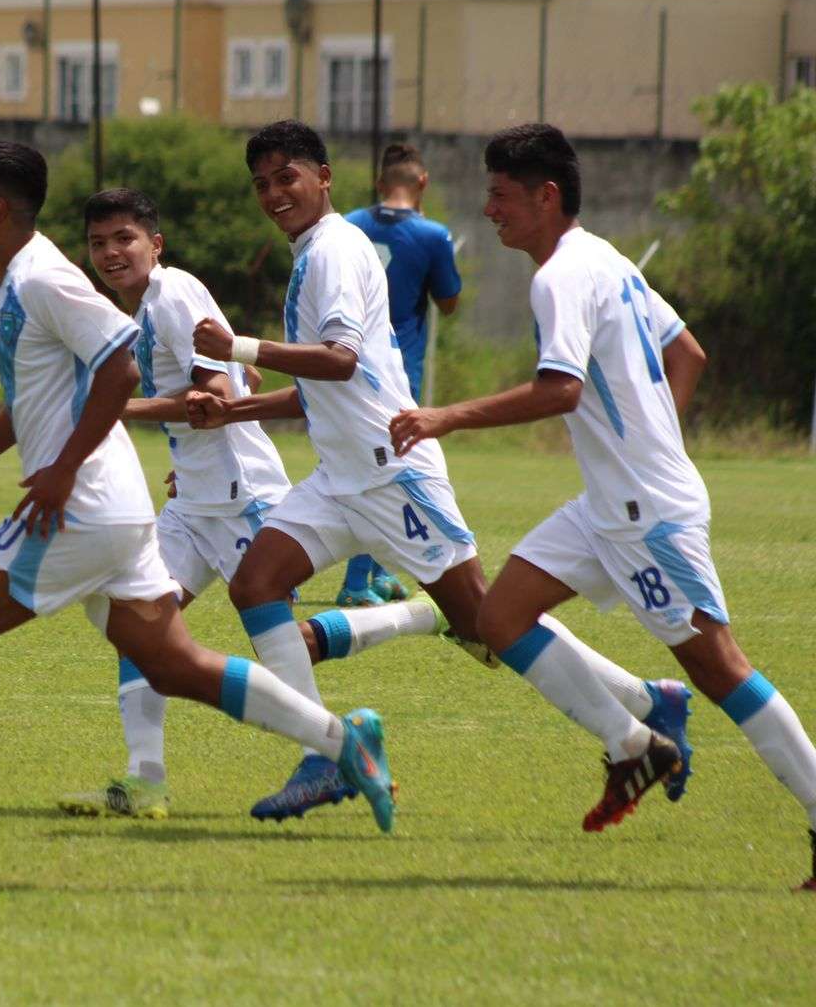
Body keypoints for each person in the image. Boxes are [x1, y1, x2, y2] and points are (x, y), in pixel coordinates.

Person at [0, 141, 398, 870]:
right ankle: (341, 741)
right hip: (121, 509)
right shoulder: (4, 292)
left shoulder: (46, 279)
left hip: (84, 508)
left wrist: (61, 471)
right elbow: (40, 397)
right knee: (172, 665)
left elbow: (119, 364)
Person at [185, 120, 691, 824]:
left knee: (486, 624)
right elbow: (329, 387)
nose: (275, 194)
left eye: (287, 178)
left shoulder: (332, 249)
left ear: (324, 178)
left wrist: (235, 346)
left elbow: (340, 360)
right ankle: (325, 755)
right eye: (263, 184)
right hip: (341, 478)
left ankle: (638, 723)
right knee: (257, 584)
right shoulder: (315, 252)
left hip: (394, 474)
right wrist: (234, 414)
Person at [388, 123, 816, 890]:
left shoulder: (559, 278)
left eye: (500, 194)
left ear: (546, 196)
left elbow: (562, 391)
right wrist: (651, 448)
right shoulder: (606, 258)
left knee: (720, 669)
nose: (488, 210)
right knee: (499, 617)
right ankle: (634, 746)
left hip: (645, 513)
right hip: (609, 506)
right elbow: (689, 354)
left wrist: (444, 416)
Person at [58, 187, 446, 821]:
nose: (110, 253)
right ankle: (145, 779)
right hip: (197, 502)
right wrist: (186, 455)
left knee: (281, 643)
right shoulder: (144, 309)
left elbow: (212, 391)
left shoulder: (174, 293)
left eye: (124, 239)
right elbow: (242, 381)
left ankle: (386, 670)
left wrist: (113, 411)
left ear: (155, 245)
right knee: (137, 624)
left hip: (243, 495)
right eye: (98, 243)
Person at [336, 144, 464, 607]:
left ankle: (381, 572)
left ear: (379, 182)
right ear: (422, 182)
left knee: (384, 461)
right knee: (389, 469)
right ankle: (354, 583)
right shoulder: (432, 234)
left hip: (346, 359)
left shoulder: (348, 224)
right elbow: (448, 303)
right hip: (397, 367)